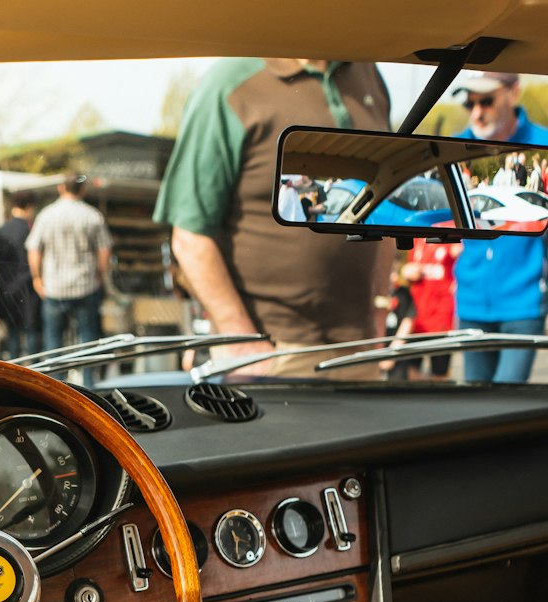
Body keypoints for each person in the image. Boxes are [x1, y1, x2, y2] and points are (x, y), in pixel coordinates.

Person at [153, 60, 391, 375]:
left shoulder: (368, 72)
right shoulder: (228, 84)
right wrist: (240, 338)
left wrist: (378, 308)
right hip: (272, 355)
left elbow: (383, 209)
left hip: (358, 351)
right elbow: (190, 235)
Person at [454, 71, 548, 383]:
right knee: (473, 407)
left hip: (524, 301)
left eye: (487, 101)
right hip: (470, 299)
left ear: (514, 93)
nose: (477, 112)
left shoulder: (543, 143)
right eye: (470, 104)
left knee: (505, 406)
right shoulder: (454, 147)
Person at [26, 172, 112, 357]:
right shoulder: (92, 216)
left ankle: (55, 383)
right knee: (88, 338)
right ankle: (88, 382)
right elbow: (104, 251)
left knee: (54, 340)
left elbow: (34, 249)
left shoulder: (46, 215)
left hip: (54, 288)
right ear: (82, 189)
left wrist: (37, 277)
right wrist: (100, 275)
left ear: (61, 187)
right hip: (85, 285)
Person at [400, 237, 461, 379]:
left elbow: (460, 252)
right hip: (418, 314)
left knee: (439, 371)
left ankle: (438, 399)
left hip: (441, 316)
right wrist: (406, 271)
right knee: (412, 367)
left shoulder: (450, 235)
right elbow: (408, 269)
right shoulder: (417, 238)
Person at [0, 191, 41, 359]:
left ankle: (14, 369)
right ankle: (34, 373)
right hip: (28, 287)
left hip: (8, 287)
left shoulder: (1, 230)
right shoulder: (31, 230)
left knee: (12, 332)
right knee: (32, 331)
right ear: (29, 206)